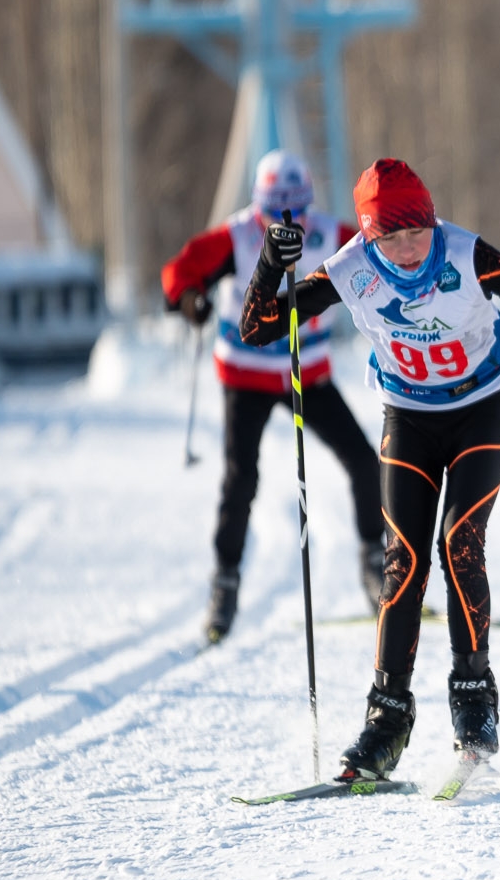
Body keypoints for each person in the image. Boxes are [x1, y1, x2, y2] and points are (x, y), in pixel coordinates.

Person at [239, 158, 500, 779]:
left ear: (431, 220)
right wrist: (270, 264)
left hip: (481, 409)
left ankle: (474, 698)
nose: (403, 249)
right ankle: (386, 721)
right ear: (367, 236)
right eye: (387, 237)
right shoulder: (350, 268)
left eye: (414, 232)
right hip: (409, 417)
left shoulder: (465, 252)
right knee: (403, 560)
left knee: (461, 543)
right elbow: (260, 327)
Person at [160, 149, 384, 644]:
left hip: (309, 372)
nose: (287, 223)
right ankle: (225, 580)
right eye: (274, 211)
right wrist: (189, 298)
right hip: (247, 375)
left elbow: (385, 250)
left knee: (365, 462)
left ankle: (374, 562)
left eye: (296, 209)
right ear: (257, 204)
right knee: (241, 478)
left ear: (309, 202)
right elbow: (180, 270)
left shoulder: (331, 233)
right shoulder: (237, 235)